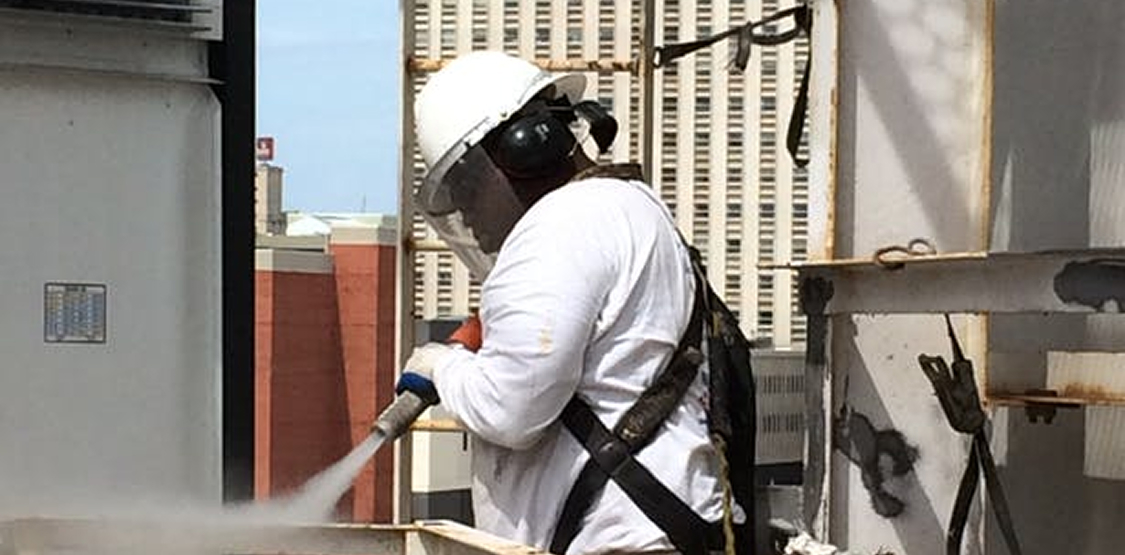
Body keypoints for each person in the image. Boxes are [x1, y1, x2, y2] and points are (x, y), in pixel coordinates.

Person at [399, 51, 738, 555]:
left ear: (521, 150)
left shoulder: (557, 228)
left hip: (615, 543)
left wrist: (442, 366)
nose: (468, 217)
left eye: (467, 189)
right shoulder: (629, 207)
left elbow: (511, 407)